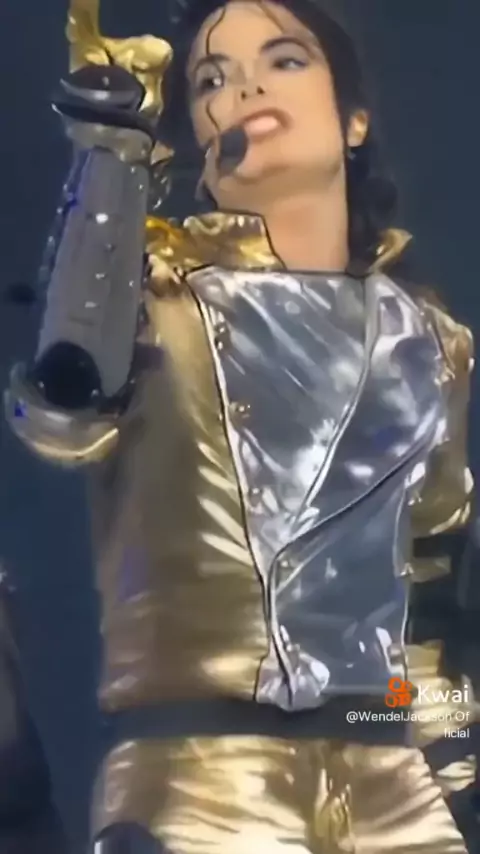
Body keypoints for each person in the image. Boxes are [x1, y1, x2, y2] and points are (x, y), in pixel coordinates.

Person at [4, 0, 478, 851]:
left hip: (391, 785)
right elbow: (63, 408)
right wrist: (111, 158)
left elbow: (430, 594)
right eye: (211, 80)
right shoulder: (153, 301)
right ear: (198, 138)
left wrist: (456, 769)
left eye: (284, 59)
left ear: (355, 119)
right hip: (202, 783)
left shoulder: (431, 343)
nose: (246, 86)